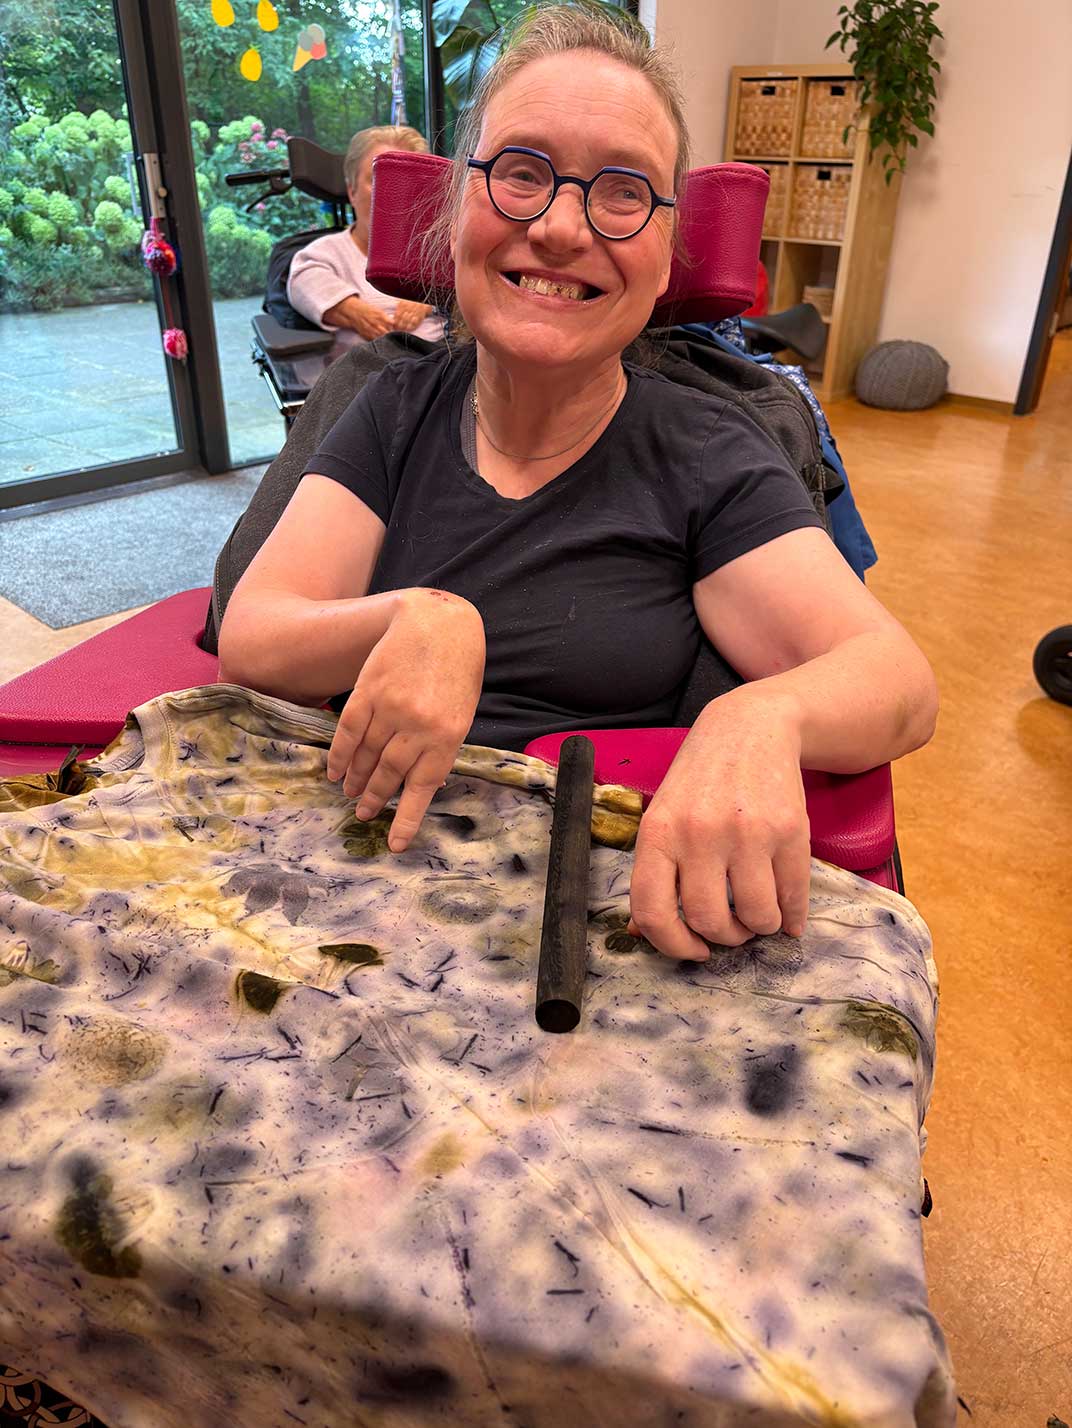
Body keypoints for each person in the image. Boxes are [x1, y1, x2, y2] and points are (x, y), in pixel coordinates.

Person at [219, 4, 938, 965]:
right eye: (521, 172)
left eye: (624, 191)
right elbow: (253, 637)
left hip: (585, 927)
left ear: (668, 250)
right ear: (455, 211)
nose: (560, 228)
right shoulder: (391, 408)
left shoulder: (705, 453)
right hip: (352, 899)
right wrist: (421, 618)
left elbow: (898, 684)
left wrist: (761, 715)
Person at [286, 124, 444, 343]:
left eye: (405, 182)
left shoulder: (439, 250)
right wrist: (356, 313)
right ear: (352, 191)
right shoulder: (324, 254)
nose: (393, 193)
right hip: (371, 361)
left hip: (447, 358)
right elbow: (303, 282)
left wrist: (428, 300)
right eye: (378, 179)